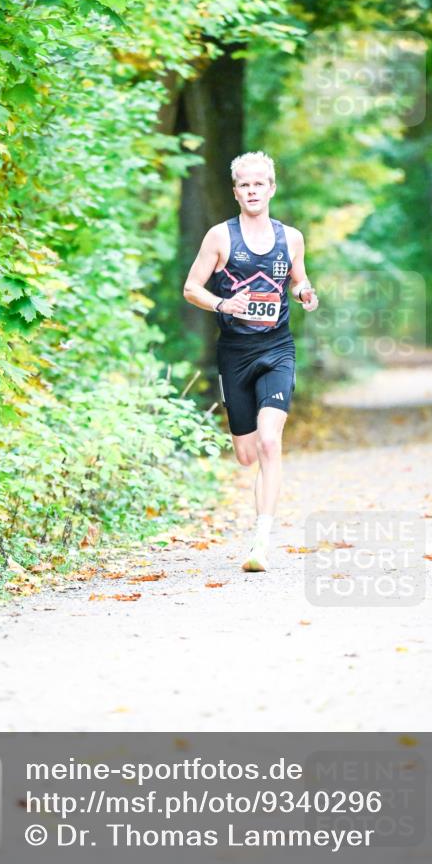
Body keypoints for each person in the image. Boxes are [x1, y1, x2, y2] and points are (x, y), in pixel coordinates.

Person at [183, 151, 318, 572]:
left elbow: (299, 280)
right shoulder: (220, 237)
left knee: (269, 442)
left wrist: (304, 294)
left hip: (277, 349)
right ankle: (260, 491)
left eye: (260, 183)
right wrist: (224, 303)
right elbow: (191, 288)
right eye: (244, 184)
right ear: (236, 191)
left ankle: (261, 542)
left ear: (271, 188)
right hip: (235, 354)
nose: (252, 190)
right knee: (245, 455)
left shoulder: (290, 237)